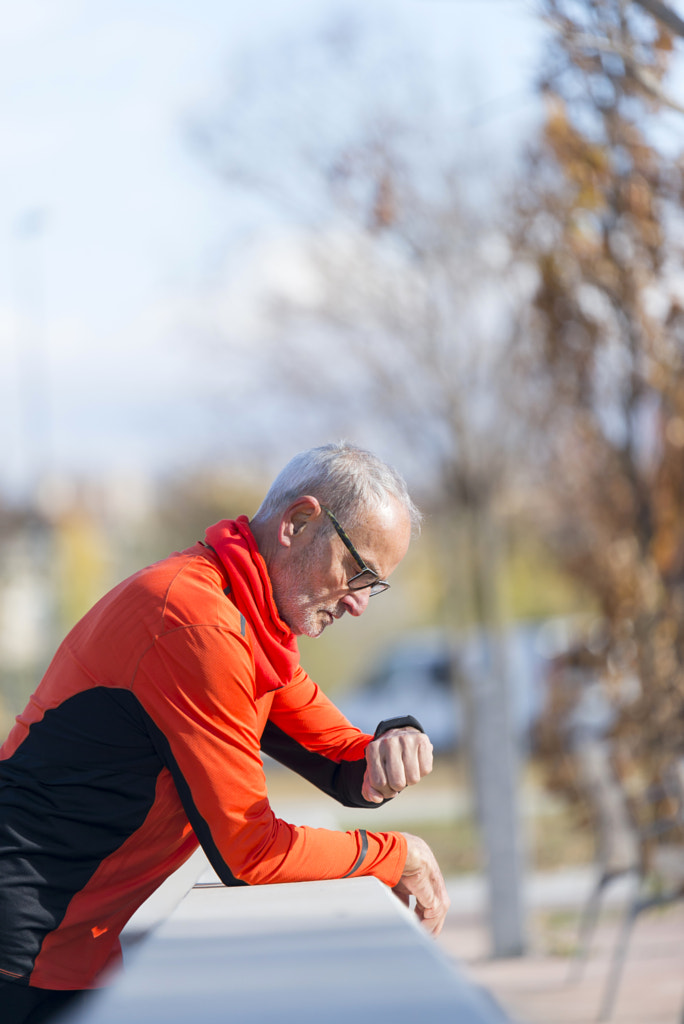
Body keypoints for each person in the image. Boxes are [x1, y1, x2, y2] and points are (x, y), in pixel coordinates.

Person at [0, 442, 450, 1024]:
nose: (360, 603)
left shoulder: (250, 621)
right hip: (22, 946)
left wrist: (397, 737)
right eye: (358, 570)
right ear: (298, 522)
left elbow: (344, 764)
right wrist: (395, 854)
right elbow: (250, 853)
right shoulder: (197, 624)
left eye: (375, 585)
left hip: (61, 947)